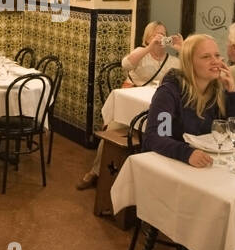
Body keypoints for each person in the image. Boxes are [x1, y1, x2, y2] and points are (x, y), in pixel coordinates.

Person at [143, 34, 235, 250]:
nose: (216, 62)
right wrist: (186, 153)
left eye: (217, 55)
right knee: (212, 210)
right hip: (173, 173)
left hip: (208, 170)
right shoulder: (171, 90)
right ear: (190, 62)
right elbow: (155, 137)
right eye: (207, 57)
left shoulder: (218, 89)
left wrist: (233, 91)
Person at [75, 21, 182, 190]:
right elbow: (126, 64)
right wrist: (148, 48)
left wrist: (181, 48)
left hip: (158, 109)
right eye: (155, 34)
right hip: (131, 107)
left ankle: (152, 181)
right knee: (112, 131)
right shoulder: (140, 53)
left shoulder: (174, 61)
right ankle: (95, 171)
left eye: (163, 34)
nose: (160, 37)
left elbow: (191, 72)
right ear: (147, 38)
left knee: (166, 135)